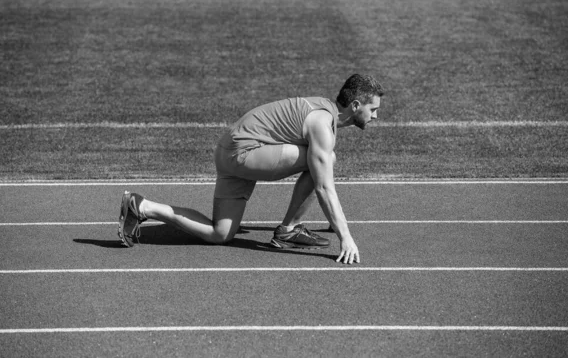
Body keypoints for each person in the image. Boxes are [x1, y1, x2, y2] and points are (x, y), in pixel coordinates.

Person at [118, 74, 383, 264]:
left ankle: (141, 206)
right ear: (355, 106)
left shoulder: (322, 110)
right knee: (326, 161)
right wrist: (344, 236)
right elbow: (324, 186)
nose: (376, 115)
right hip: (242, 155)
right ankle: (289, 230)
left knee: (220, 234)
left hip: (230, 153)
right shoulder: (322, 124)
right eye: (373, 109)